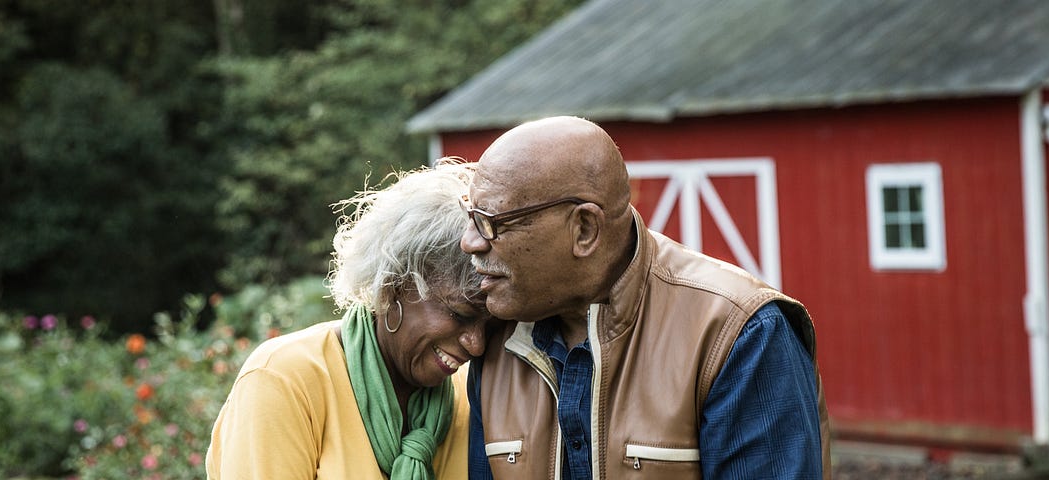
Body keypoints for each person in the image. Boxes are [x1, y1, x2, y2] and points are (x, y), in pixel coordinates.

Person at [459, 116, 828, 479]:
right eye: (470, 216)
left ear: (585, 229)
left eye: (492, 222)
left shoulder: (739, 333)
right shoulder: (495, 340)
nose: (470, 242)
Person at [206, 161, 493, 480]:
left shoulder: (466, 397)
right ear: (392, 285)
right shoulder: (284, 379)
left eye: (489, 324)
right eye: (461, 315)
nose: (476, 345)